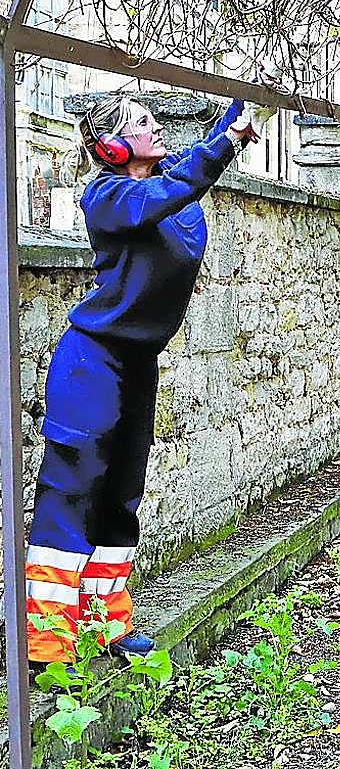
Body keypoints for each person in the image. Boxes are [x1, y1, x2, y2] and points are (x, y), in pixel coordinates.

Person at [25, 95, 258, 666]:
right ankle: (48, 641)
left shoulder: (169, 186)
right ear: (111, 144)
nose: (155, 125)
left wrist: (243, 106)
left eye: (154, 117)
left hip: (138, 362)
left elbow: (182, 178)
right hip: (92, 359)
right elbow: (161, 196)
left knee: (122, 493)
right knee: (73, 488)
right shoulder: (107, 196)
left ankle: (108, 623)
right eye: (140, 121)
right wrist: (223, 146)